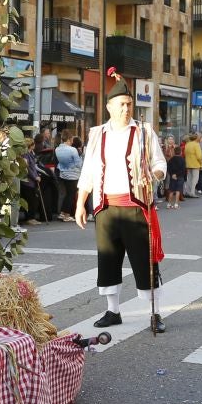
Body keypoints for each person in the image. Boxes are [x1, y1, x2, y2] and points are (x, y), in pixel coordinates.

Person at [74, 71, 167, 333]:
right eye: (121, 104)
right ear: (109, 107)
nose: (126, 109)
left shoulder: (144, 133)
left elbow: (160, 163)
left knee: (145, 262)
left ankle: (155, 314)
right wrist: (81, 203)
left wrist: (154, 174)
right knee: (108, 260)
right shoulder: (97, 134)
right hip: (105, 208)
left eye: (129, 104)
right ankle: (112, 311)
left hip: (137, 207)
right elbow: (89, 171)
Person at [54, 130, 82, 220]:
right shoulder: (72, 150)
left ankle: (62, 213)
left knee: (67, 194)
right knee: (70, 195)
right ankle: (66, 214)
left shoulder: (57, 149)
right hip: (73, 174)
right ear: (69, 139)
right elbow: (78, 164)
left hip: (63, 174)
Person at [163, 138, 185, 210]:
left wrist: (172, 174)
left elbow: (168, 168)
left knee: (171, 190)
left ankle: (169, 204)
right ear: (181, 152)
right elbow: (183, 169)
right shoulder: (182, 159)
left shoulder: (171, 159)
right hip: (180, 176)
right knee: (178, 190)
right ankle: (176, 204)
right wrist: (177, 174)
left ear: (174, 152)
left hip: (172, 176)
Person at [183, 133, 202, 198]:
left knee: (189, 179)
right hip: (195, 164)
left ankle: (187, 191)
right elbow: (199, 156)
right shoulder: (196, 144)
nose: (200, 138)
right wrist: (201, 163)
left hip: (188, 163)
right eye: (199, 137)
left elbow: (185, 153)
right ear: (196, 138)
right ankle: (192, 192)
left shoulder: (187, 144)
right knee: (195, 179)